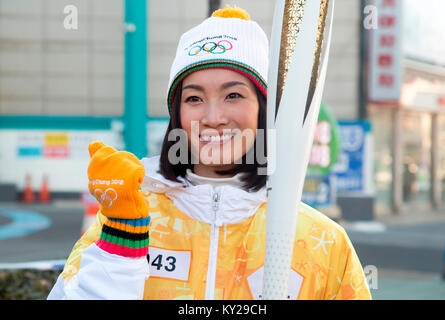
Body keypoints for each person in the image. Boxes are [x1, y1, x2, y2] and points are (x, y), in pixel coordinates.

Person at [48, 5, 371, 300]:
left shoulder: (322, 241)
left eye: (233, 95)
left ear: (264, 109)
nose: (214, 117)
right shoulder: (128, 220)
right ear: (177, 116)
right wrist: (119, 249)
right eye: (194, 98)